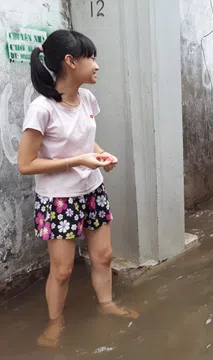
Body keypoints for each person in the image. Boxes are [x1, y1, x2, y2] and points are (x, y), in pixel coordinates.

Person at [17, 30, 138, 348]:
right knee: (62, 270)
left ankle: (107, 304)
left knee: (104, 255)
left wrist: (99, 155)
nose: (97, 65)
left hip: (92, 190)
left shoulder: (87, 99)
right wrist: (79, 160)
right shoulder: (41, 109)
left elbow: (84, 140)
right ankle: (55, 323)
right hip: (58, 199)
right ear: (70, 62)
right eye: (92, 57)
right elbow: (26, 164)